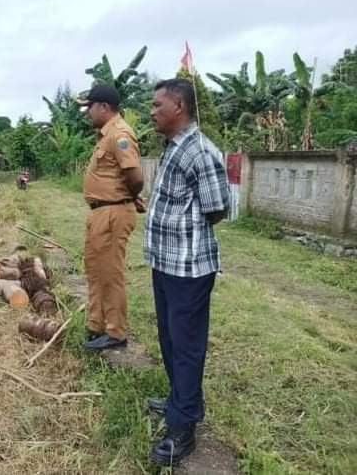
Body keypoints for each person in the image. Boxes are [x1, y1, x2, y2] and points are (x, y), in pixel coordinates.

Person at [144, 78, 229, 466]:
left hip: (189, 268)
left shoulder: (201, 151)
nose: (151, 111)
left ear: (178, 106)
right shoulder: (172, 147)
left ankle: (184, 427)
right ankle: (179, 400)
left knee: (187, 346)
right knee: (170, 340)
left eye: (157, 104)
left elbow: (218, 208)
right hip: (166, 263)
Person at [76, 82, 144, 351]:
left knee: (110, 273)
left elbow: (135, 176)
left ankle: (115, 332)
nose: (87, 112)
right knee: (95, 271)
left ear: (104, 106)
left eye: (89, 107)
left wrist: (127, 196)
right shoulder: (106, 135)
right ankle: (97, 325)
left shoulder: (120, 135)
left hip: (113, 213)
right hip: (101, 212)